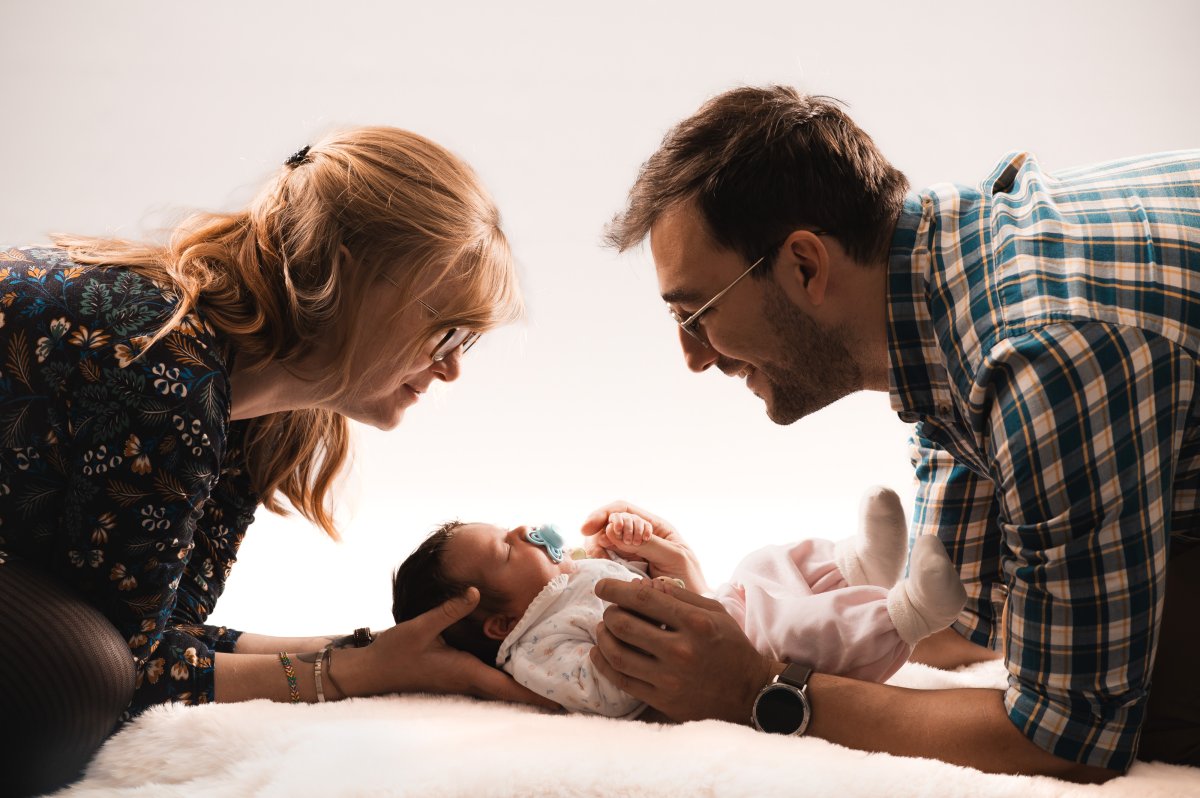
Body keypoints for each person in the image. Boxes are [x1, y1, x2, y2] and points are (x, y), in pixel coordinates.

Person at [595, 85, 1200, 782]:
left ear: (804, 265)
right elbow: (966, 607)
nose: (694, 357)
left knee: (1159, 690)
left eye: (696, 313)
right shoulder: (939, 285)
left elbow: (1067, 736)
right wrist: (721, 610)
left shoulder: (1036, 359)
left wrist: (751, 691)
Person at [0, 127, 550, 796]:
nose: (453, 365)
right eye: (446, 327)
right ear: (351, 279)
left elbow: (163, 633)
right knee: (74, 677)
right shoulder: (167, 368)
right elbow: (138, 674)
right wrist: (359, 672)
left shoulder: (260, 415)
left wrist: (370, 649)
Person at [389, 491, 966, 716]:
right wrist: (623, 632)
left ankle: (855, 564)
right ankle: (906, 613)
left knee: (762, 565)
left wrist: (632, 545)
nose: (521, 531)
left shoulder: (568, 574)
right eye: (505, 548)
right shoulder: (535, 648)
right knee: (792, 626)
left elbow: (650, 574)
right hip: (717, 655)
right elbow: (605, 695)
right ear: (499, 623)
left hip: (709, 611)